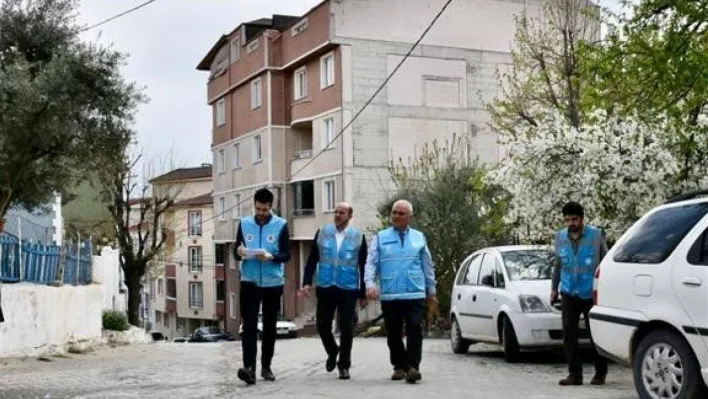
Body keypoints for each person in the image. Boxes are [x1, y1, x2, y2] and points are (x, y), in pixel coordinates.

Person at [364, 199, 438, 384]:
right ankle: (398, 366)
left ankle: (413, 367)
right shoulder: (381, 237)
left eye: (401, 213)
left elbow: (427, 265)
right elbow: (371, 263)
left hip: (415, 291)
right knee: (394, 332)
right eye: (394, 212)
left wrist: (432, 291)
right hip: (391, 293)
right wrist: (369, 284)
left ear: (409, 217)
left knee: (414, 327)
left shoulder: (419, 238)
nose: (396, 216)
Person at [300, 202, 368, 380]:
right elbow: (312, 260)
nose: (337, 215)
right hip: (326, 286)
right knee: (322, 326)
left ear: (349, 216)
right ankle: (332, 351)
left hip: (348, 288)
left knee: (346, 328)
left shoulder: (358, 236)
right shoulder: (322, 233)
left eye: (342, 212)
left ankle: (344, 365)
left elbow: (364, 266)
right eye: (336, 212)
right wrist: (307, 282)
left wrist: (363, 293)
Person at [234, 188, 291, 385]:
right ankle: (249, 368)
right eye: (258, 209)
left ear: (271, 207)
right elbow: (236, 251)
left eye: (265, 210)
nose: (261, 213)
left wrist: (272, 257)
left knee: (269, 326)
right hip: (249, 280)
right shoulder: (244, 223)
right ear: (254, 205)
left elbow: (287, 255)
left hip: (273, 282)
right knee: (248, 325)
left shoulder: (281, 225)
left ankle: (266, 366)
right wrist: (240, 251)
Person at [550, 201, 609, 386]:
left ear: (582, 219)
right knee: (569, 335)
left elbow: (605, 264)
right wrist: (554, 288)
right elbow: (558, 264)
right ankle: (575, 374)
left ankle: (600, 372)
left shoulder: (596, 235)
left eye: (574, 219)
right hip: (568, 293)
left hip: (591, 294)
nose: (571, 223)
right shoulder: (560, 237)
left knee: (595, 335)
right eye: (567, 220)